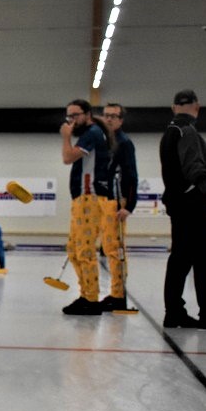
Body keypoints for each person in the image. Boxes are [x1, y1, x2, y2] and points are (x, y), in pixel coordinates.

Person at [158, 89, 206, 330]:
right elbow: (194, 167)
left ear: (173, 107)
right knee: (205, 257)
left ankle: (175, 313)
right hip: (192, 205)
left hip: (178, 204)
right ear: (197, 107)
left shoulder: (169, 132)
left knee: (180, 258)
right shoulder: (187, 131)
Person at [59, 98, 116, 315]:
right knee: (74, 250)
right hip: (81, 198)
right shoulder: (89, 134)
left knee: (84, 250)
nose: (72, 120)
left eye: (75, 115)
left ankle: (91, 299)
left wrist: (65, 137)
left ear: (87, 114)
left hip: (89, 197)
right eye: (69, 116)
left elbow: (67, 157)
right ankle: (86, 294)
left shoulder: (91, 134)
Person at [99, 103, 137, 311]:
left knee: (116, 249)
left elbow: (131, 175)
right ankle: (114, 292)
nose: (109, 119)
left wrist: (129, 205)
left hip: (118, 201)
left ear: (121, 120)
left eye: (114, 116)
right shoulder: (105, 142)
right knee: (108, 248)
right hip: (104, 201)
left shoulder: (124, 143)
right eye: (106, 115)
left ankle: (119, 295)